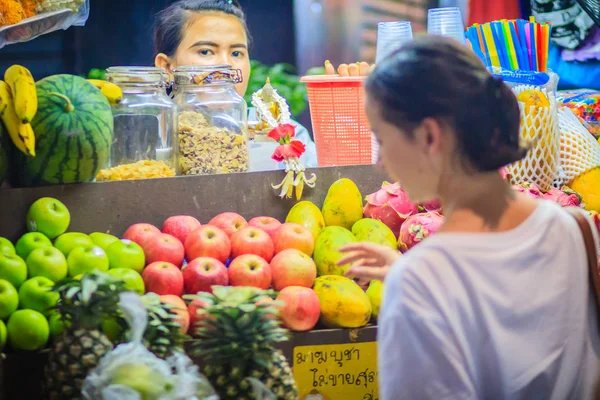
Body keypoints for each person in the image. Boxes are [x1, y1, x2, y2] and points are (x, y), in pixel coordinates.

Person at [339, 35, 600, 399]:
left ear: (429, 135)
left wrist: (414, 280)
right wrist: (410, 274)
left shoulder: (419, 283)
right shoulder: (573, 228)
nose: (379, 160)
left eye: (382, 139)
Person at [152, 0, 318, 171]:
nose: (226, 66)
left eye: (236, 53)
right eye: (205, 51)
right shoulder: (144, 136)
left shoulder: (284, 133)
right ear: (166, 67)